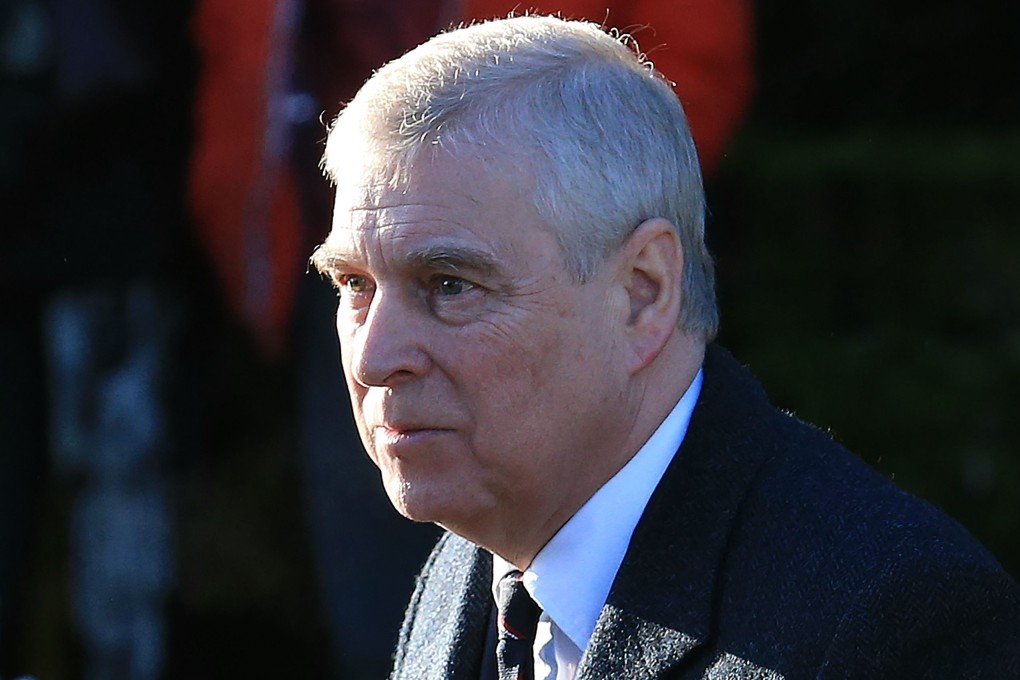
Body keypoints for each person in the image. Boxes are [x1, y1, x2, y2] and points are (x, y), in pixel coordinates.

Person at [310, 14, 1020, 680]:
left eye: (450, 284)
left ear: (643, 293)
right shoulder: (469, 568)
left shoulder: (894, 621)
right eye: (354, 284)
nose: (374, 360)